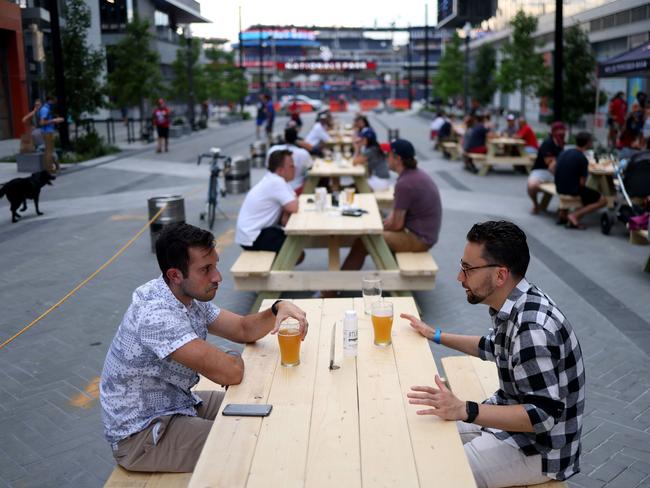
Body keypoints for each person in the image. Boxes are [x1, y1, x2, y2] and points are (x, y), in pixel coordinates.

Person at [100, 223, 308, 473]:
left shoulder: (184, 295)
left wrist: (278, 307)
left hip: (179, 402)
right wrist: (231, 358)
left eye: (215, 265)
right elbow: (231, 373)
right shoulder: (156, 316)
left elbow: (242, 329)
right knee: (250, 441)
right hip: (142, 435)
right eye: (206, 269)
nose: (217, 277)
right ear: (175, 275)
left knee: (264, 407)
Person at [402, 220, 585, 488]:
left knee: (437, 471)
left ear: (500, 275)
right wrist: (435, 335)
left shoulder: (531, 330)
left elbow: (542, 416)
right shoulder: (517, 303)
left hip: (542, 451)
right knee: (422, 433)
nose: (459, 277)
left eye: (468, 269)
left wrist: (465, 409)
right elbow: (491, 346)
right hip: (512, 421)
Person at [341, 139, 441, 270]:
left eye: (387, 155)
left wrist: (374, 228)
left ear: (397, 159)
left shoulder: (405, 183)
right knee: (370, 232)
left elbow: (396, 224)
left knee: (364, 241)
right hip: (423, 235)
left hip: (419, 239)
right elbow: (396, 218)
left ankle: (331, 290)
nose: (385, 158)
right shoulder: (414, 175)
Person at [235, 149, 299, 253]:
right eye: (291, 166)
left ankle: (279, 267)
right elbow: (294, 207)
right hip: (253, 236)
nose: (295, 168)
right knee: (296, 249)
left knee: (294, 243)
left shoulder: (274, 179)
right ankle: (278, 268)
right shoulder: (276, 182)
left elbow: (285, 219)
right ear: (280, 170)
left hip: (251, 233)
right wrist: (292, 203)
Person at [555, 132, 607, 229]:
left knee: (588, 192)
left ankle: (563, 213)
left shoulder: (564, 153)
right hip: (571, 190)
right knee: (603, 200)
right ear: (588, 143)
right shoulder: (582, 158)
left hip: (559, 187)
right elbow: (582, 183)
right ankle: (575, 215)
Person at [527, 121, 566, 214]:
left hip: (554, 171)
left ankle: (563, 208)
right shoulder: (548, 143)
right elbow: (549, 163)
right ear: (553, 131)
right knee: (531, 186)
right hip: (541, 170)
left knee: (569, 184)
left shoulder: (561, 143)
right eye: (558, 130)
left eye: (562, 130)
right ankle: (536, 204)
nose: (561, 132)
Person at [266, 127, 313, 194]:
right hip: (296, 187)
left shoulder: (273, 149)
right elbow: (310, 169)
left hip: (276, 187)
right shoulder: (303, 153)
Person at [352, 127, 391, 191]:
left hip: (379, 182)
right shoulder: (375, 147)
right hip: (382, 181)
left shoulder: (371, 150)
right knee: (355, 184)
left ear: (368, 139)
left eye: (363, 138)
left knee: (356, 184)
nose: (360, 140)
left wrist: (357, 148)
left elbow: (355, 161)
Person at [38, 95, 64, 173]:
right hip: (47, 132)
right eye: (54, 101)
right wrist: (55, 120)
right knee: (49, 151)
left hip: (48, 132)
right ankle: (49, 169)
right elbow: (42, 122)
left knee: (51, 150)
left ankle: (55, 167)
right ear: (50, 100)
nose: (54, 103)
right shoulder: (45, 109)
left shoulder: (47, 108)